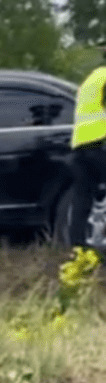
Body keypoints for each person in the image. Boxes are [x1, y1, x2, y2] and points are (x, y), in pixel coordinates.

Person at [69, 49, 106, 253]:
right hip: (99, 144)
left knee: (82, 199)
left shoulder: (92, 78)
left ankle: (78, 249)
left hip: (80, 147)